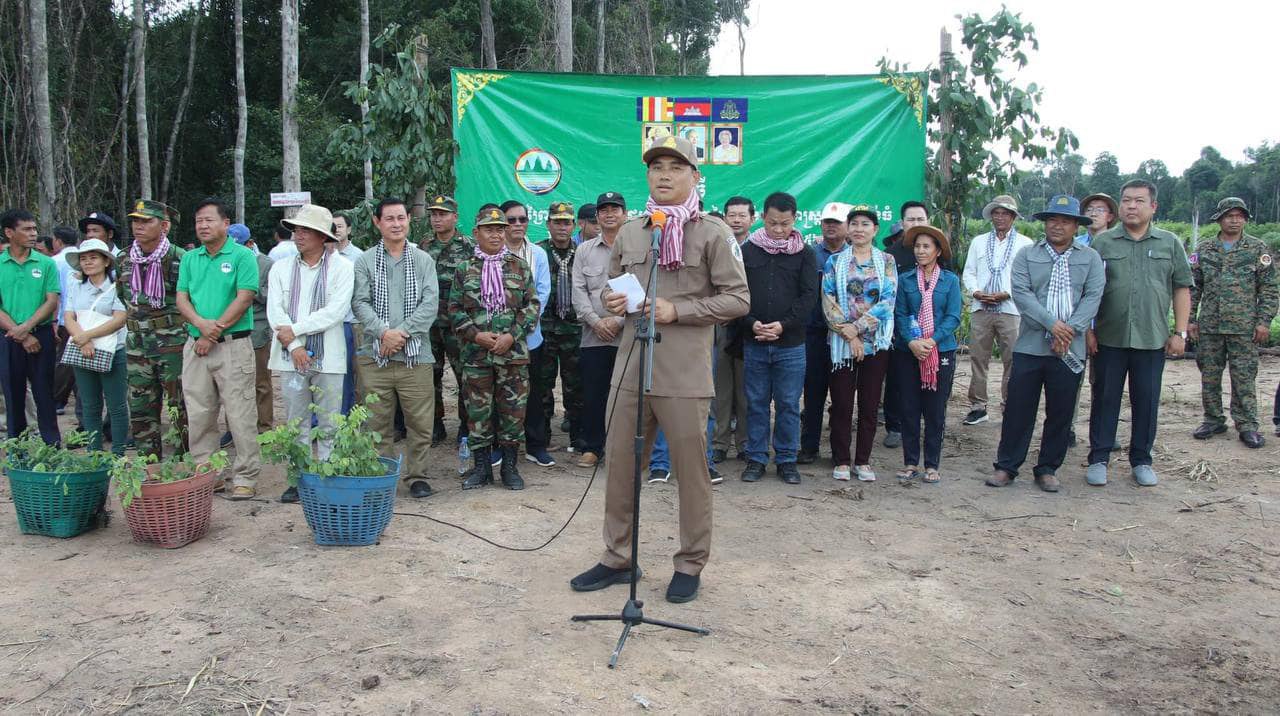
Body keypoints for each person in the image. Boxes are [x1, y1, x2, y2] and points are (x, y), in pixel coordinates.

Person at [569, 135, 749, 604]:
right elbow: (611, 286)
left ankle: (690, 563)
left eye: (675, 167)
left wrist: (678, 310)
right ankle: (618, 556)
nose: (664, 175)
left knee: (691, 472)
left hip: (684, 371)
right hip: (631, 365)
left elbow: (738, 299)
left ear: (695, 176)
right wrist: (612, 299)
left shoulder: (712, 232)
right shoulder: (633, 231)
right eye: (656, 167)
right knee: (620, 465)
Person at [988, 196, 1105, 492]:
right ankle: (1007, 466)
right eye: (1053, 220)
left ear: (1076, 226)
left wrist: (1069, 331)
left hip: (1070, 349)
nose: (1057, 226)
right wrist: (1052, 325)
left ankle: (1048, 468)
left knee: (1061, 412)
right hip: (1030, 345)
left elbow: (1093, 297)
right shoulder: (1027, 255)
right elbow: (1022, 294)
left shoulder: (1090, 258)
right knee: (1018, 409)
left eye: (1065, 221)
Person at [1086, 179, 1192, 487]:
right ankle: (1099, 458)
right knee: (1104, 398)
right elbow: (1089, 290)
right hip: (1109, 337)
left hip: (1152, 337)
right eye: (1127, 200)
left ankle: (1142, 460)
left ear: (1153, 206)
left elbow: (1181, 288)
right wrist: (1088, 330)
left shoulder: (1169, 243)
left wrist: (1180, 332)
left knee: (1146, 401)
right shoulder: (1103, 243)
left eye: (1139, 201)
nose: (1131, 206)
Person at [352, 197, 439, 498]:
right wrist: (383, 333)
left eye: (401, 218)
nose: (396, 224)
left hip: (416, 356)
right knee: (376, 422)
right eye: (389, 218)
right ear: (377, 222)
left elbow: (430, 304)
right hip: (375, 357)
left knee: (420, 422)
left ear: (409, 221)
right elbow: (360, 303)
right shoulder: (364, 261)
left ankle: (418, 476)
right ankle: (381, 477)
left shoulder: (424, 260)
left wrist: (399, 334)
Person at [267, 204, 354, 502]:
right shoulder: (281, 268)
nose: (298, 235)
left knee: (329, 420)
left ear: (322, 236)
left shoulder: (342, 267)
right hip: (290, 355)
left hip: (328, 356)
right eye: (296, 230)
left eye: (306, 230)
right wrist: (295, 346)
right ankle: (298, 477)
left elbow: (336, 311)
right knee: (296, 420)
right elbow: (275, 311)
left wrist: (295, 331)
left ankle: (329, 475)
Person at [176, 198, 261, 499]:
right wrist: (201, 325)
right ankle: (208, 472)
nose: (203, 226)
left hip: (232, 346)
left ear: (226, 223)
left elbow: (244, 297)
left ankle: (246, 476)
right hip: (195, 346)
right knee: (199, 412)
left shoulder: (242, 256)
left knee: (240, 413)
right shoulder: (190, 258)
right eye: (199, 220)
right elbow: (182, 299)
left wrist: (212, 333)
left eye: (209, 220)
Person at [450, 208, 540, 490]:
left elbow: (532, 306)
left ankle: (510, 468)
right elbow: (454, 309)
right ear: (476, 233)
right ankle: (481, 468)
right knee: (477, 412)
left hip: (512, 356)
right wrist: (476, 335)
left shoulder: (519, 267)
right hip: (476, 355)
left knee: (513, 412)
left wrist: (512, 336)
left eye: (500, 229)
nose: (496, 234)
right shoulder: (464, 269)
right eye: (489, 229)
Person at [737, 192, 818, 485]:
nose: (779, 229)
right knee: (756, 402)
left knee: (788, 403)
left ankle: (786, 459)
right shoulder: (748, 251)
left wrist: (783, 325)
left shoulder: (805, 253)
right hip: (755, 340)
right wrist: (751, 323)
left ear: (795, 219)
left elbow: (809, 296)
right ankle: (756, 458)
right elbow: (736, 292)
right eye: (773, 223)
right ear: (762, 218)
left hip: (791, 344)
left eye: (785, 223)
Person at [1189, 197, 1276, 449]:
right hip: (1210, 326)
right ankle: (1213, 419)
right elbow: (1193, 288)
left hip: (1244, 328)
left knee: (1244, 377)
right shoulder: (1204, 249)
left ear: (1245, 219)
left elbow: (1269, 289)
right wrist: (1190, 319)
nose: (1235, 220)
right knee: (1209, 375)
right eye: (1229, 216)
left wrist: (1263, 322)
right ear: (1219, 219)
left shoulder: (1257, 249)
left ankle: (1247, 425)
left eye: (1239, 216)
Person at [822, 204, 897, 482]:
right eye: (854, 224)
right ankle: (842, 459)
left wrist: (858, 328)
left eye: (865, 224)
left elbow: (888, 301)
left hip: (876, 343)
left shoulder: (886, 260)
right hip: (842, 344)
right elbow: (828, 300)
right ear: (847, 228)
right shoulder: (835, 262)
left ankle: (863, 461)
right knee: (841, 404)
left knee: (869, 404)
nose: (859, 229)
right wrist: (849, 334)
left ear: (875, 229)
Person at [119, 199, 188, 459]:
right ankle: (149, 463)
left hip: (172, 343)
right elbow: (123, 297)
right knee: (140, 406)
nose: (139, 226)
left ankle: (182, 462)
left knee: (179, 405)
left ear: (164, 226)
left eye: (146, 221)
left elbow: (189, 300)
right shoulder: (124, 258)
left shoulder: (180, 258)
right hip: (137, 343)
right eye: (135, 221)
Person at [893, 225, 961, 485]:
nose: (920, 251)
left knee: (935, 410)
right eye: (917, 246)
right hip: (908, 350)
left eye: (926, 247)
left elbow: (953, 317)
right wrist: (912, 342)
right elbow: (900, 314)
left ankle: (932, 464)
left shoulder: (950, 281)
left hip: (940, 350)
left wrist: (931, 341)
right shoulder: (905, 279)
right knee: (909, 408)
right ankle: (910, 462)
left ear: (938, 251)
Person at [961, 195, 1033, 426]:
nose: (1000, 217)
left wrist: (1007, 293)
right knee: (978, 357)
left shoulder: (1025, 243)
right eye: (996, 213)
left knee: (1012, 358)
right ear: (991, 216)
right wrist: (976, 292)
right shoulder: (979, 242)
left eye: (1005, 213)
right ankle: (978, 406)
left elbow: (1027, 276)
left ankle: (1010, 405)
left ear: (1013, 217)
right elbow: (969, 272)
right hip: (981, 307)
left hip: (1011, 309)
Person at [572, 192, 626, 468]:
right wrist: (596, 322)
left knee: (625, 395)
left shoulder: (635, 248)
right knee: (593, 394)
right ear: (597, 216)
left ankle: (621, 450)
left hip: (627, 336)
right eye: (604, 210)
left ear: (625, 214)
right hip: (593, 336)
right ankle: (593, 447)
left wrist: (618, 321)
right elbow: (578, 291)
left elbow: (643, 289)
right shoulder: (584, 250)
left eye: (615, 209)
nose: (609, 214)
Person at [62, 239, 130, 454]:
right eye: (83, 258)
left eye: (93, 258)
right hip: (83, 351)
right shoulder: (75, 286)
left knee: (117, 405)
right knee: (90, 405)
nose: (88, 262)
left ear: (106, 261)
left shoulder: (117, 286)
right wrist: (83, 340)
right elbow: (69, 316)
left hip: (113, 351)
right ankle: (94, 452)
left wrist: (86, 336)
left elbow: (119, 319)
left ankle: (118, 453)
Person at [499, 200, 553, 467]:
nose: (518, 224)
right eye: (512, 220)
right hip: (498, 340)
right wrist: (505, 331)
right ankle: (498, 448)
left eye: (523, 219)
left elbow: (542, 294)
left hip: (531, 338)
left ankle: (536, 446)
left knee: (534, 394)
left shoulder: (538, 254)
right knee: (498, 394)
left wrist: (519, 328)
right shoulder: (490, 253)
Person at [0, 209, 61, 443]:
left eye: (34, 229)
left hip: (41, 335)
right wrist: (22, 334)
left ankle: (52, 447)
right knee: (13, 394)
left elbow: (51, 300)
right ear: (9, 232)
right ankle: (18, 449)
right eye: (26, 229)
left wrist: (27, 328)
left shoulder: (46, 263)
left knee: (44, 393)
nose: (33, 234)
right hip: (9, 337)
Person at [1065, 192, 1120, 446]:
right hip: (1075, 325)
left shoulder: (1119, 244)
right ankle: (1067, 428)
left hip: (1108, 325)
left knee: (1105, 384)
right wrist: (1083, 326)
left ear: (1110, 216)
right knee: (1070, 378)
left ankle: (1103, 432)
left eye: (1100, 209)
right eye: (1090, 209)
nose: (1094, 213)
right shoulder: (1073, 245)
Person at [418, 195, 474, 446]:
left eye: (442, 214)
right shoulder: (424, 245)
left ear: (455, 217)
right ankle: (435, 425)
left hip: (458, 325)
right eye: (434, 214)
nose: (437, 219)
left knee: (464, 375)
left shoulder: (469, 246)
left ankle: (465, 425)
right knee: (430, 375)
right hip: (429, 324)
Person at [798, 201, 851, 464]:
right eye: (827, 222)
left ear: (847, 226)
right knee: (813, 393)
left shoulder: (856, 257)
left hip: (845, 336)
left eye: (836, 222)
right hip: (814, 333)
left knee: (842, 397)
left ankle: (839, 453)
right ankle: (809, 447)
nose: (831, 226)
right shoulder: (809, 254)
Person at [881, 201, 932, 450]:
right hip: (899, 328)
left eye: (920, 219)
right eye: (911, 219)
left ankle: (926, 424)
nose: (916, 223)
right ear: (902, 223)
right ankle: (894, 426)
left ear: (928, 221)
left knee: (930, 378)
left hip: (930, 329)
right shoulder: (891, 255)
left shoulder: (938, 250)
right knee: (896, 379)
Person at [537, 201, 584, 451]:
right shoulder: (538, 252)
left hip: (574, 330)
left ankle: (577, 436)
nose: (562, 227)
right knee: (543, 385)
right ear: (548, 224)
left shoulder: (583, 252)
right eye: (557, 222)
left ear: (573, 225)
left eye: (566, 222)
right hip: (544, 330)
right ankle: (542, 437)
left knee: (575, 385)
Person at [710, 195, 753, 462]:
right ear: (725, 218)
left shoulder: (758, 249)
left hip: (749, 327)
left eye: (742, 215)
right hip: (719, 324)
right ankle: (719, 442)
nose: (736, 220)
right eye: (732, 215)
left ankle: (745, 443)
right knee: (720, 388)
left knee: (746, 390)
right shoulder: (717, 244)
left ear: (752, 219)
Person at [228, 223, 275, 434]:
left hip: (258, 328)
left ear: (250, 244)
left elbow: (271, 296)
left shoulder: (266, 264)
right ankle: (235, 429)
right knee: (232, 384)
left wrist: (249, 289)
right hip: (231, 328)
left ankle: (265, 427)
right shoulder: (225, 260)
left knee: (261, 383)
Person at [331, 211, 363, 416]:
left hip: (351, 323)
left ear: (349, 229)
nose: (336, 231)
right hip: (329, 323)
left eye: (340, 226)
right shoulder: (324, 255)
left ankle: (349, 416)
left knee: (351, 374)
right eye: (332, 227)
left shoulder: (358, 257)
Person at [50, 226, 80, 418]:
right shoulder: (83, 257)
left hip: (63, 318)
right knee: (78, 360)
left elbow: (55, 294)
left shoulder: (54, 261)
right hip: (83, 318)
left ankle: (57, 399)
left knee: (63, 360)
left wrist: (54, 321)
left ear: (58, 241)